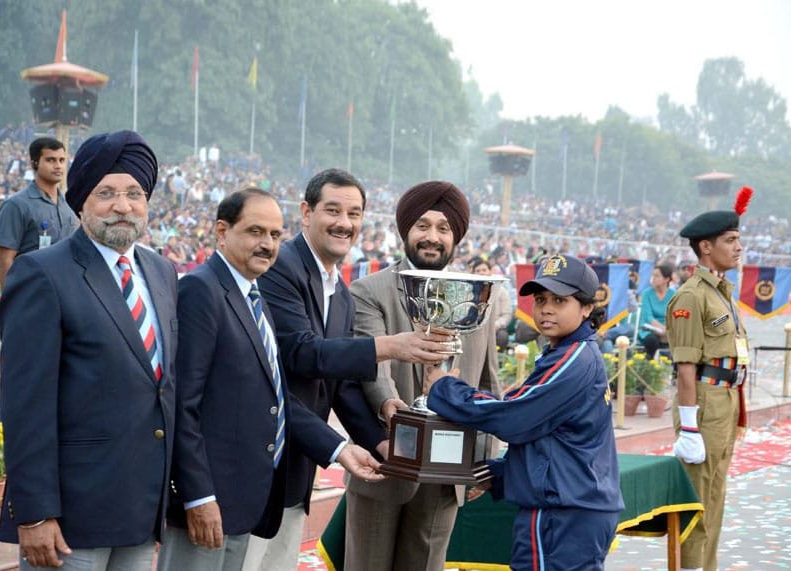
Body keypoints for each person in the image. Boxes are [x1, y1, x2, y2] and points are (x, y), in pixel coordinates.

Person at [158, 187, 384, 571]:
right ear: (221, 232)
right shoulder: (201, 290)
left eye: (276, 235)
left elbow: (275, 396)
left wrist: (340, 450)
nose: (267, 244)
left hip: (246, 499)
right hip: (209, 501)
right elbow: (183, 404)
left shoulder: (253, 297)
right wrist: (198, 497)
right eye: (255, 231)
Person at [245, 169, 449, 570]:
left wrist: (382, 443)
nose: (344, 223)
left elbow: (341, 386)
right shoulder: (281, 267)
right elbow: (301, 353)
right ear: (306, 213)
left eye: (354, 214)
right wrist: (389, 347)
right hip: (256, 464)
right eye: (333, 210)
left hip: (296, 469)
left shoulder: (338, 292)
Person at [0, 130, 176, 570]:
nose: (122, 206)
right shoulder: (42, 273)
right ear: (81, 202)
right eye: (106, 193)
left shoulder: (161, 272)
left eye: (134, 193)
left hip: (139, 511)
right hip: (70, 519)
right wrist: (35, 512)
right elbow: (26, 403)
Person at [423, 254, 624, 571]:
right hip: (574, 507)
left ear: (587, 308)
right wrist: (499, 474)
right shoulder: (571, 352)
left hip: (562, 513)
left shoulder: (574, 359)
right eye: (541, 299)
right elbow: (550, 435)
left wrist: (444, 389)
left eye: (560, 300)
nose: (546, 309)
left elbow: (513, 417)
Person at [343, 180, 499, 571]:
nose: (432, 237)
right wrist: (390, 405)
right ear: (406, 230)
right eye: (423, 226)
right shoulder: (369, 291)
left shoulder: (478, 297)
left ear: (456, 236)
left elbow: (487, 381)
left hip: (448, 469)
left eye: (443, 228)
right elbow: (373, 364)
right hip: (384, 461)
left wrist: (486, 458)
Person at [665, 209, 748, 571]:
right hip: (703, 403)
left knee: (715, 497)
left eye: (738, 239)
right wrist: (689, 427)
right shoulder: (691, 296)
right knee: (698, 499)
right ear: (706, 247)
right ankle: (690, 566)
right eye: (730, 240)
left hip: (725, 399)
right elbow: (686, 367)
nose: (738, 247)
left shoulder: (722, 293)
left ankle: (706, 566)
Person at [0, 137, 78, 288]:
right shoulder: (17, 205)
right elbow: (5, 258)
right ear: (35, 163)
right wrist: (10, 298)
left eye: (61, 160)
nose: (58, 166)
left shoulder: (69, 206)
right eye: (50, 160)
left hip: (66, 290)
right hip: (32, 291)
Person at [637, 263, 675, 358]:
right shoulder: (646, 294)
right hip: (649, 329)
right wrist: (662, 329)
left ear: (666, 279)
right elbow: (648, 316)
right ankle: (650, 364)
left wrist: (668, 330)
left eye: (657, 276)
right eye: (652, 275)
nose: (653, 278)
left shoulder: (674, 295)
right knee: (652, 341)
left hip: (669, 329)